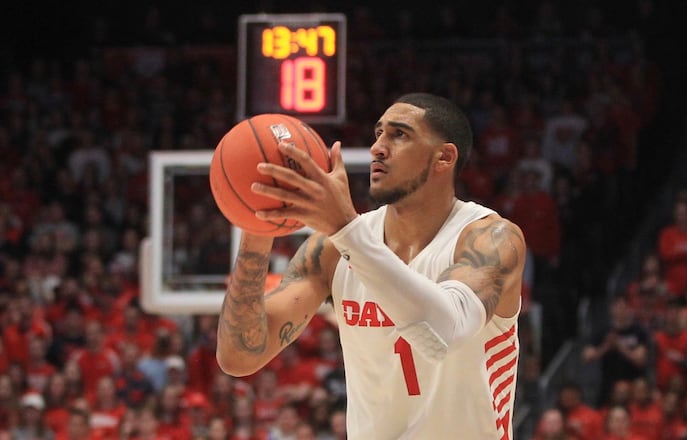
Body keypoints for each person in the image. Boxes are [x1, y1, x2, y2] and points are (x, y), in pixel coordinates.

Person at [216, 93, 526, 439]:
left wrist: (346, 228)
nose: (377, 147)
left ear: (444, 157)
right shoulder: (331, 250)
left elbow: (442, 333)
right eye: (378, 134)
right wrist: (258, 225)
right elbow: (239, 357)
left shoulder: (492, 238)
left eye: (399, 134)